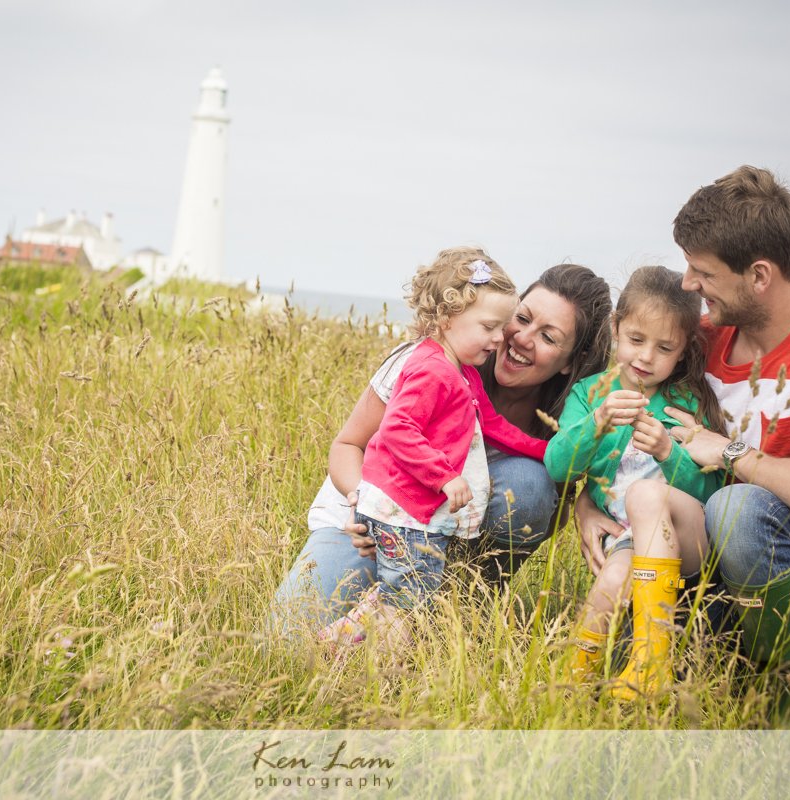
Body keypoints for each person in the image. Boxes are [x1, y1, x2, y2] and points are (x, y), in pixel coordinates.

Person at [607, 165, 790, 679]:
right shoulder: (696, 340)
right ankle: (710, 653)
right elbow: (608, 409)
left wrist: (728, 451)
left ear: (759, 275)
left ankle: (782, 679)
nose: (688, 283)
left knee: (736, 509)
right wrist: (585, 508)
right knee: (628, 637)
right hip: (714, 556)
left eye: (703, 272)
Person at [269, 261, 613, 635]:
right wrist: (360, 504)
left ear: (570, 363)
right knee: (285, 639)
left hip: (439, 546)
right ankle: (397, 611)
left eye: (548, 337)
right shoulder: (427, 364)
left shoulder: (567, 419)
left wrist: (586, 504)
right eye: (521, 318)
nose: (519, 338)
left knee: (529, 485)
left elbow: (558, 493)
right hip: (366, 525)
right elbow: (348, 444)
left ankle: (459, 604)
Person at [316, 250, 549, 648]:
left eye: (501, 327)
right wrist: (444, 477)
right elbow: (397, 429)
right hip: (399, 513)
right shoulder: (430, 368)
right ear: (446, 319)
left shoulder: (464, 372)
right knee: (407, 603)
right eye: (490, 327)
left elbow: (492, 425)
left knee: (406, 596)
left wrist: (547, 450)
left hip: (413, 516)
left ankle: (348, 644)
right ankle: (348, 652)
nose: (500, 338)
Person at [544, 266, 726, 698]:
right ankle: (578, 680)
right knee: (609, 583)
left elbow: (712, 493)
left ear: (682, 352)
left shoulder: (686, 401)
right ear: (616, 329)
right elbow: (557, 466)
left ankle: (641, 665)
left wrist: (668, 452)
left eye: (664, 348)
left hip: (682, 533)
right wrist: (598, 422)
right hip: (624, 534)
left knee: (624, 554)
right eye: (636, 340)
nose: (645, 357)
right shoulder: (590, 394)